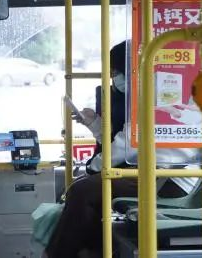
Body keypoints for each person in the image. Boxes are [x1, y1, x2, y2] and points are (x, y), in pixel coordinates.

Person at [45, 41, 137, 258]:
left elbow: (126, 146)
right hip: (147, 170)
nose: (114, 78)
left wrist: (94, 166)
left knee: (81, 191)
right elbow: (121, 142)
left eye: (116, 72)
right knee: (84, 192)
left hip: (166, 178)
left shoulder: (151, 97)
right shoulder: (134, 97)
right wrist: (94, 123)